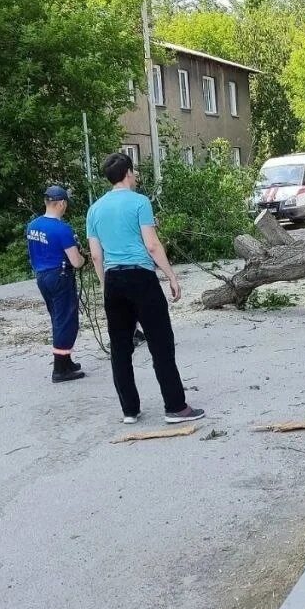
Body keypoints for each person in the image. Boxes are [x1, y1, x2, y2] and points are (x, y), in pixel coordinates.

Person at [87, 153, 204, 424]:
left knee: (120, 346)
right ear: (127, 172)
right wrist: (171, 276)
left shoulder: (94, 209)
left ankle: (130, 409)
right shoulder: (140, 202)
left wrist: (106, 285)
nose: (136, 176)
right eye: (135, 171)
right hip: (140, 277)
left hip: (113, 280)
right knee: (160, 342)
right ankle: (175, 406)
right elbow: (151, 245)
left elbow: (95, 255)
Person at [27, 185, 87, 383]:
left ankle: (66, 360)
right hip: (60, 276)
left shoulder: (33, 225)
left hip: (42, 276)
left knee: (57, 317)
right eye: (66, 203)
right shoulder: (62, 229)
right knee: (66, 320)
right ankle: (60, 369)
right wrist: (83, 257)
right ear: (61, 203)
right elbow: (76, 262)